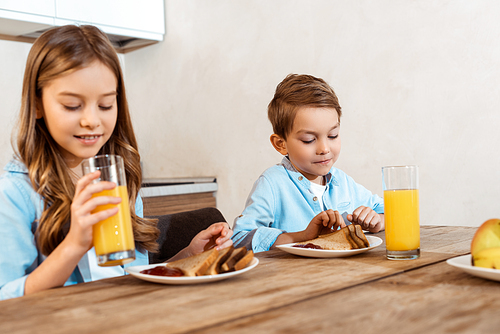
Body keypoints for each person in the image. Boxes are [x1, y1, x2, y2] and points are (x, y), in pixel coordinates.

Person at [0, 25, 232, 300]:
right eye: (73, 106)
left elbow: (126, 280)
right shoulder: (15, 195)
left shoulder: (117, 179)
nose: (92, 120)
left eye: (106, 105)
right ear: (37, 105)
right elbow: (7, 300)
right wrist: (74, 245)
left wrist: (188, 257)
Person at [232, 74, 384, 253]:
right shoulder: (272, 183)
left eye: (332, 135)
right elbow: (239, 239)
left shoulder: (342, 182)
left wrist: (378, 222)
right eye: (309, 139)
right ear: (281, 144)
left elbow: (393, 211)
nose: (324, 148)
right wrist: (302, 236)